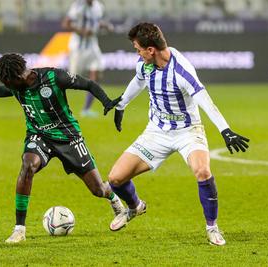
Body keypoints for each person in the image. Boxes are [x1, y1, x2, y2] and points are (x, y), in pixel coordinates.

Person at [0, 53, 124, 244]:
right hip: (39, 136)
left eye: (7, 81)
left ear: (18, 77)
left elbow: (88, 84)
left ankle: (114, 199)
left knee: (97, 189)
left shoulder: (54, 77)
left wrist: (106, 101)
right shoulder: (15, 86)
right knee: (27, 165)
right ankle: (19, 229)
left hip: (68, 137)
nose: (6, 86)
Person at [106, 22, 250, 246]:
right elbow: (138, 81)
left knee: (202, 171)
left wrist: (225, 129)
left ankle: (212, 227)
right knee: (115, 178)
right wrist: (121, 105)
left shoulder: (181, 70)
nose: (137, 53)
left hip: (188, 131)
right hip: (157, 131)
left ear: (151, 50)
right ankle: (135, 207)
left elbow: (203, 97)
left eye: (138, 49)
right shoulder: (145, 65)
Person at [62, 0, 113, 117]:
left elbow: (95, 21)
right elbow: (66, 23)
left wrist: (105, 25)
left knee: (96, 73)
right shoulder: (78, 6)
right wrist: (81, 31)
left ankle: (86, 109)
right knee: (69, 80)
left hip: (92, 46)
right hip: (78, 48)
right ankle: (55, 107)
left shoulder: (98, 6)